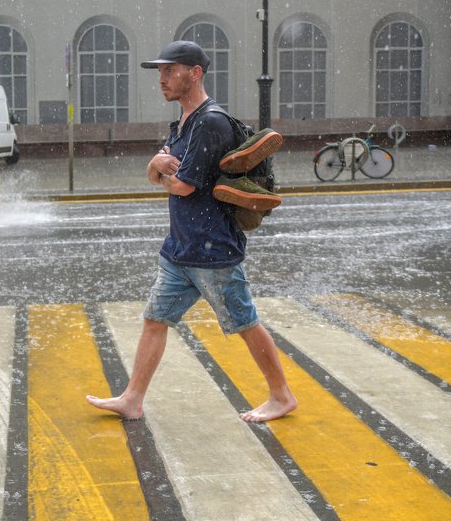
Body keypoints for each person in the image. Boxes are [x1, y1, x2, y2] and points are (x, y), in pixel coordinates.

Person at [86, 40, 297, 423]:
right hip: (180, 249)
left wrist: (162, 170)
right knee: (155, 319)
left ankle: (281, 396)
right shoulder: (183, 122)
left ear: (195, 73)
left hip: (213, 250)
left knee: (245, 323)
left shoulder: (209, 122)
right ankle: (132, 399)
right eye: (160, 72)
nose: (162, 79)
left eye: (170, 71)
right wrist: (158, 165)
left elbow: (182, 185)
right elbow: (159, 174)